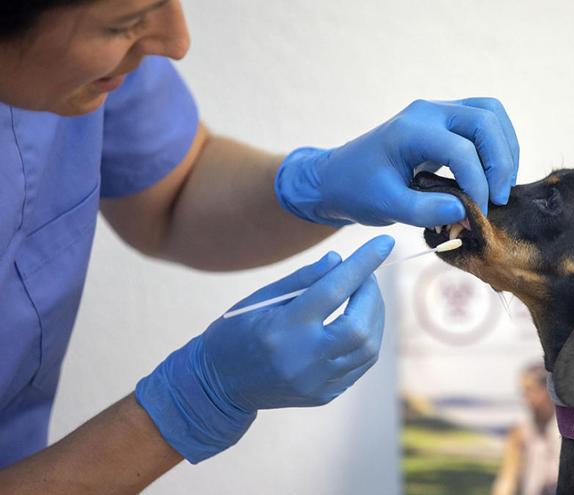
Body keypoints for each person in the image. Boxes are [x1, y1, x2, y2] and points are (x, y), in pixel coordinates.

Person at [0, 0, 519, 491]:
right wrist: (193, 401)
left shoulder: (95, 56)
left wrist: (318, 184)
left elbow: (172, 194)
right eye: (123, 24)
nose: (177, 42)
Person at [492, 363, 560, 495]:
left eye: (530, 390)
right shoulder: (520, 431)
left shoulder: (568, 429)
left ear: (547, 390)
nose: (525, 398)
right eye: (522, 392)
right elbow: (507, 478)